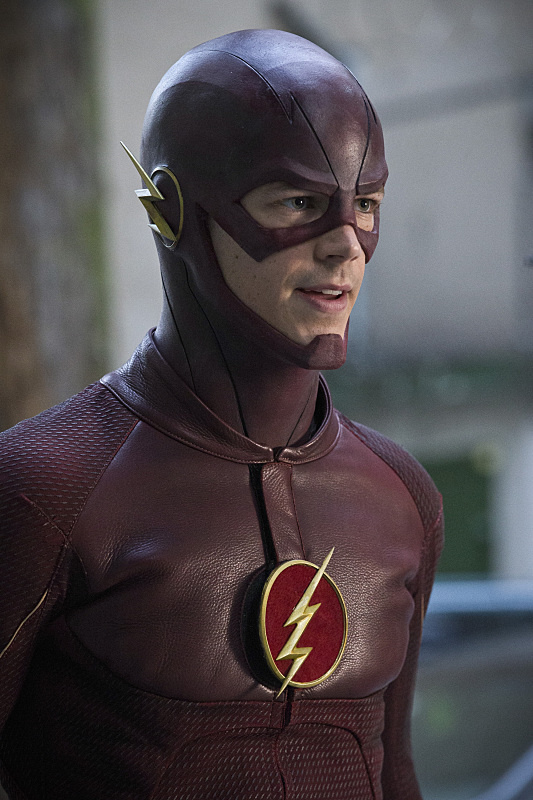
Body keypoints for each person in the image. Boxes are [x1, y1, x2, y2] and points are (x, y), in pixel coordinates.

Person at [0, 28, 443, 800]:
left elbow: (394, 773)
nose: (346, 247)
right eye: (299, 202)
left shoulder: (402, 496)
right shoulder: (43, 489)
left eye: (365, 205)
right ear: (171, 211)